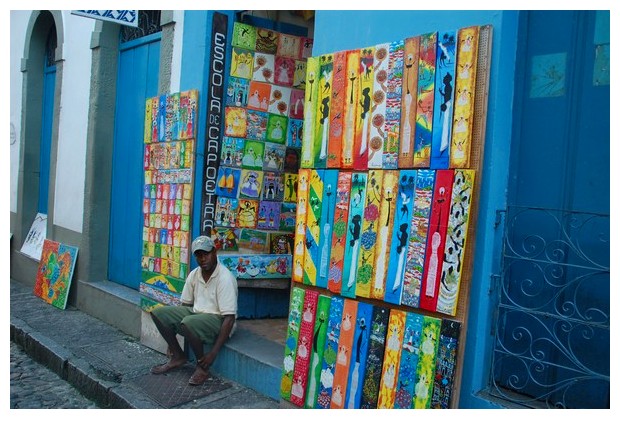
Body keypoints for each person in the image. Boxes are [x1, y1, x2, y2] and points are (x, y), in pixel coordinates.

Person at [150, 236, 238, 386]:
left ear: (214, 252)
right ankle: (178, 356)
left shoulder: (225, 278)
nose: (203, 259)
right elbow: (185, 304)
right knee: (159, 313)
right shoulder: (194, 274)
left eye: (206, 254)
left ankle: (202, 367)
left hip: (218, 320)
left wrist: (213, 354)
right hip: (196, 315)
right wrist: (172, 339)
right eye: (199, 255)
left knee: (188, 322)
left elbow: (229, 318)